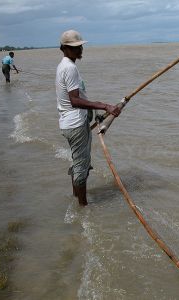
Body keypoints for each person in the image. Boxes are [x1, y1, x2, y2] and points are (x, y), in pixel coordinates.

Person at [56, 29, 121, 206]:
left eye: (80, 47)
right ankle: (82, 208)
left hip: (71, 123)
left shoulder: (64, 65)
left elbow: (76, 99)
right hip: (75, 125)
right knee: (81, 167)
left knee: (78, 162)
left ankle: (76, 198)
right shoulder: (69, 68)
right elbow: (75, 100)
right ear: (64, 48)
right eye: (75, 47)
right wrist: (105, 105)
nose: (80, 50)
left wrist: (96, 114)